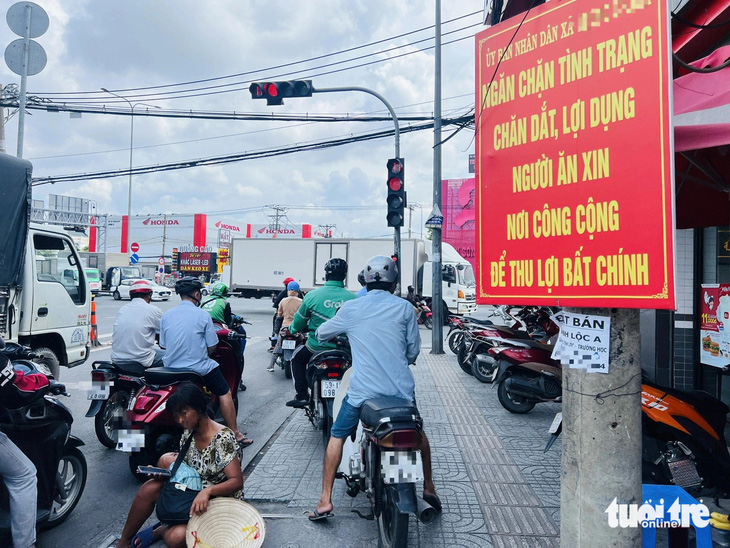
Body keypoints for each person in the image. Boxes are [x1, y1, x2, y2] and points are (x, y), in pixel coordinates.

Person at [307, 256, 441, 521]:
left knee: (337, 435)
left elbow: (321, 333)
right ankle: (428, 487)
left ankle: (324, 500)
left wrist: (344, 330)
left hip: (362, 394)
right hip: (400, 393)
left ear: (366, 281)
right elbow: (413, 351)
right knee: (417, 433)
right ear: (394, 283)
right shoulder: (405, 309)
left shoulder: (351, 308)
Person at [116, 382, 244, 548]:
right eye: (176, 417)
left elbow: (236, 481)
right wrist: (163, 474)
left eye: (183, 413)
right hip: (193, 491)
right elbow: (187, 470)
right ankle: (124, 541)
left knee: (175, 537)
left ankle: (161, 530)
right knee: (149, 488)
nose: (180, 420)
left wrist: (208, 491)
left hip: (219, 500)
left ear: (199, 408)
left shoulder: (223, 439)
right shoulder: (189, 433)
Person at [160, 277, 251, 446]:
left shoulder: (167, 315)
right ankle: (236, 434)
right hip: (197, 369)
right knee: (225, 392)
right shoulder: (202, 315)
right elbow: (212, 345)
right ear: (196, 294)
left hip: (170, 369)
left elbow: (164, 345)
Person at [286, 259, 356, 407]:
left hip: (316, 347)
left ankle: (302, 396)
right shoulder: (354, 299)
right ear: (344, 275)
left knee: (297, 359)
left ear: (326, 275)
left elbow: (298, 323)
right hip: (344, 349)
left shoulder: (312, 296)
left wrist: (292, 330)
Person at [0, 338, 38, 548]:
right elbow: (16, 393)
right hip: (138, 374)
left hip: (110, 372)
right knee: (25, 475)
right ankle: (25, 544)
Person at [201, 282, 247, 390]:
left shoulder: (204, 300)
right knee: (237, 352)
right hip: (218, 329)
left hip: (202, 330)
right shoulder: (224, 302)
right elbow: (228, 321)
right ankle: (238, 379)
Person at [111, 279, 164, 368]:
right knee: (172, 357)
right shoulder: (152, 310)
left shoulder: (123, 310)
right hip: (141, 359)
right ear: (149, 295)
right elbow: (167, 330)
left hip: (117, 359)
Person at [269, 281, 303, 372]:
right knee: (303, 344)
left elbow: (279, 316)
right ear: (297, 291)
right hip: (297, 328)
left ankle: (271, 365)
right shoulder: (301, 302)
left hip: (285, 328)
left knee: (278, 345)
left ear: (288, 290)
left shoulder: (283, 301)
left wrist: (276, 331)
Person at [270, 277, 296, 351]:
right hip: (295, 319)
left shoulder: (283, 296)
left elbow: (276, 305)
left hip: (284, 319)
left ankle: (273, 345)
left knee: (276, 328)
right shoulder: (300, 298)